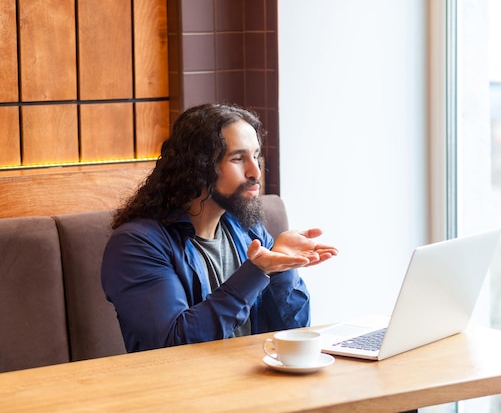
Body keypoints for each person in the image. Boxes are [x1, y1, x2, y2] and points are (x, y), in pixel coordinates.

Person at [101, 103, 338, 353]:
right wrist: (255, 272)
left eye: (256, 156)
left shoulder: (249, 230)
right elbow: (174, 344)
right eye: (238, 159)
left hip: (254, 381)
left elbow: (294, 329)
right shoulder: (136, 244)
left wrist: (283, 269)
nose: (255, 171)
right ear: (199, 166)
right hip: (184, 389)